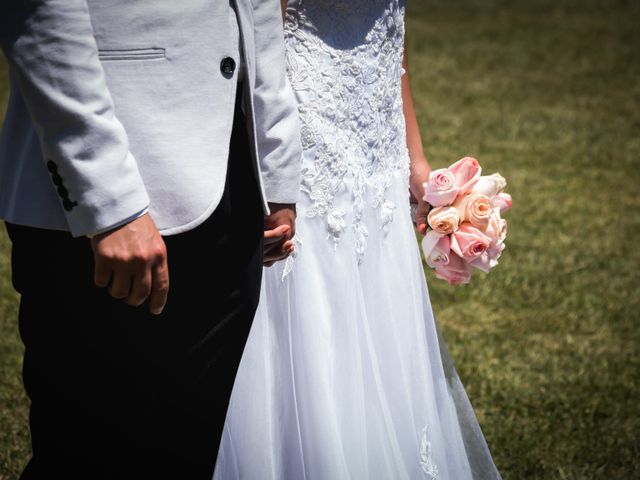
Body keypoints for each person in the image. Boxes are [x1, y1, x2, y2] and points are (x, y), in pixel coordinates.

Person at [0, 0, 301, 478]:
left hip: (232, 179)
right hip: (120, 187)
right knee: (87, 451)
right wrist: (109, 201)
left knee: (187, 445)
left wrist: (275, 164)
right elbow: (41, 15)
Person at [214, 0, 502, 478]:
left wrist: (415, 156)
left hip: (377, 140)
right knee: (310, 312)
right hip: (305, 133)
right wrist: (263, 164)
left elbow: (394, 39)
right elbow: (257, 35)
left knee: (377, 312)